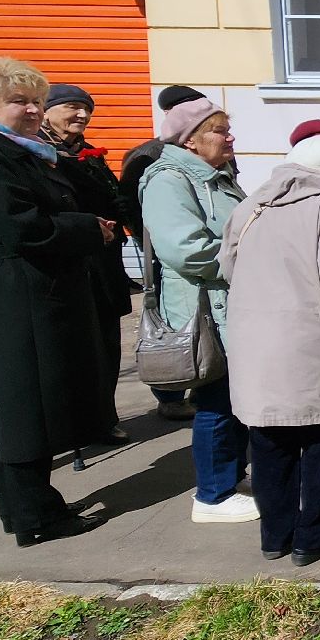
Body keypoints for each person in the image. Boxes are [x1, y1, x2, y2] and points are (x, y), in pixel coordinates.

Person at [0, 58, 109, 547]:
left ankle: (30, 506)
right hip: (18, 292)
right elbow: (18, 226)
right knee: (25, 407)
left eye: (37, 100)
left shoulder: (8, 150)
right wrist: (85, 228)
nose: (34, 110)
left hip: (28, 288)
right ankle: (34, 515)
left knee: (26, 404)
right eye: (20, 101)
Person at [219, 132, 320, 566]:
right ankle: (315, 535)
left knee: (269, 439)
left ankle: (275, 535)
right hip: (316, 340)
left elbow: (227, 266)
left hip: (255, 341)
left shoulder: (250, 206)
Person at [140, 96, 257, 524]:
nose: (229, 137)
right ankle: (212, 495)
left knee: (232, 398)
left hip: (230, 304)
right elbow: (184, 249)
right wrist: (253, 259)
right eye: (219, 130)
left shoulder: (216, 176)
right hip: (204, 309)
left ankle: (231, 479)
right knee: (215, 401)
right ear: (190, 140)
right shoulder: (168, 180)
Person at [38, 84, 129, 442]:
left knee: (106, 343)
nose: (82, 115)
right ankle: (71, 424)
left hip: (104, 261)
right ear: (46, 111)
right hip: (70, 261)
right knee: (73, 348)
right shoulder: (40, 154)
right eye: (72, 107)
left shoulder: (89, 153)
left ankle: (103, 419)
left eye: (86, 109)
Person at [120, 84, 208, 424]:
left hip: (203, 246)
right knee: (169, 320)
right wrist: (149, 243)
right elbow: (128, 202)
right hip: (166, 250)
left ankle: (204, 378)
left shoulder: (211, 146)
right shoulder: (147, 155)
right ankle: (170, 392)